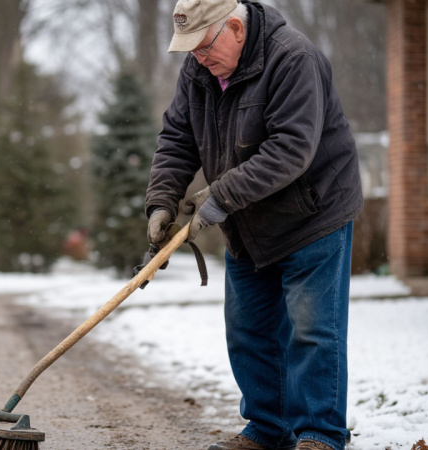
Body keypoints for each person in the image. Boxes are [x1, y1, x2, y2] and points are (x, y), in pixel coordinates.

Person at [144, 0, 363, 449]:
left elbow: (290, 149)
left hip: (312, 215)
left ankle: (319, 434)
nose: (199, 58)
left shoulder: (293, 59)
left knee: (311, 332)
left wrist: (220, 196)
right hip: (247, 221)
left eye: (205, 46)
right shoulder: (198, 71)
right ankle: (267, 429)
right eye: (191, 51)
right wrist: (162, 202)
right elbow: (177, 139)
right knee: (249, 332)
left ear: (237, 28)